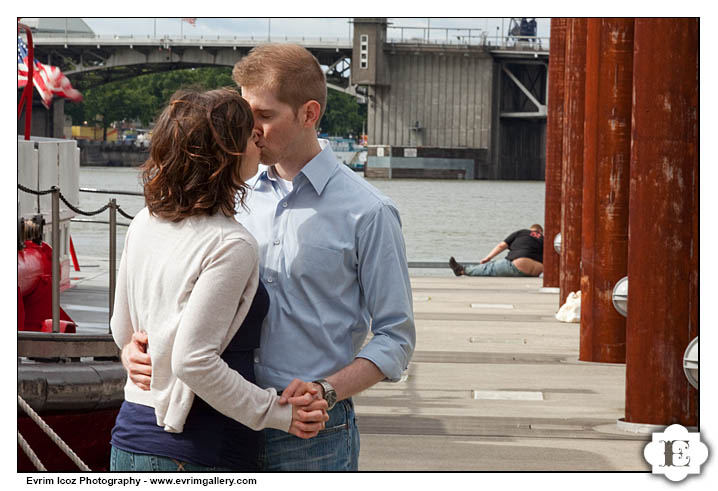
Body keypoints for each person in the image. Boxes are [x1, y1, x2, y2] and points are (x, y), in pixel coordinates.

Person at [121, 44, 416, 472]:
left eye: (263, 115)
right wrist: (132, 347)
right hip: (216, 425)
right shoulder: (224, 197)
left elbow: (396, 337)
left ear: (309, 113)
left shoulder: (369, 212)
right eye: (244, 113)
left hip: (312, 434)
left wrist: (327, 390)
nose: (250, 129)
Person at [109, 88, 329, 472]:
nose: (257, 138)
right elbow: (193, 361)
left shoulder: (146, 220)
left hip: (130, 436)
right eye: (249, 133)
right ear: (227, 152)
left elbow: (121, 328)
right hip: (199, 446)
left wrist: (133, 351)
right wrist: (278, 414)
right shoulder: (231, 242)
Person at [449, 224, 544, 277]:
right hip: (536, 272)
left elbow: (501, 245)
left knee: (489, 268)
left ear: (531, 229)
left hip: (519, 265)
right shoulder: (545, 239)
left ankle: (461, 270)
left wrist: (488, 258)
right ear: (540, 231)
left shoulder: (522, 232)